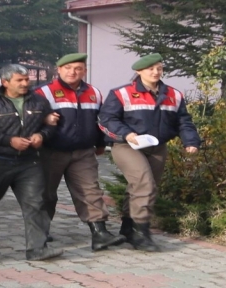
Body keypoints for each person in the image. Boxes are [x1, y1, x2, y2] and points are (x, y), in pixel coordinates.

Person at [98, 53, 201, 252]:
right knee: (145, 184)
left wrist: (190, 141)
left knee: (140, 187)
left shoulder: (173, 94)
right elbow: (107, 119)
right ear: (139, 71)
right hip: (127, 145)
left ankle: (127, 228)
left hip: (157, 146)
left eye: (159, 68)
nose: (155, 72)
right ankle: (141, 233)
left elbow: (183, 121)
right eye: (150, 69)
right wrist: (126, 134)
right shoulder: (121, 93)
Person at [35, 53, 126, 251]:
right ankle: (39, 232)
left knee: (90, 191)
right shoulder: (44, 92)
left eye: (77, 68)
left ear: (84, 71)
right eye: (67, 68)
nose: (72, 72)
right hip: (51, 151)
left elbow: (100, 121)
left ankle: (99, 233)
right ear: (58, 70)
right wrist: (43, 120)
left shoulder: (94, 92)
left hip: (83, 152)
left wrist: (102, 143)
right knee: (46, 194)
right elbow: (31, 119)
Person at [0, 64, 63, 261]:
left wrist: (42, 135)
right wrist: (8, 140)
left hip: (29, 163)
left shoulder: (39, 101)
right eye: (19, 80)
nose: (25, 83)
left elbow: (51, 128)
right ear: (5, 82)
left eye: (26, 80)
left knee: (36, 203)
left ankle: (37, 249)